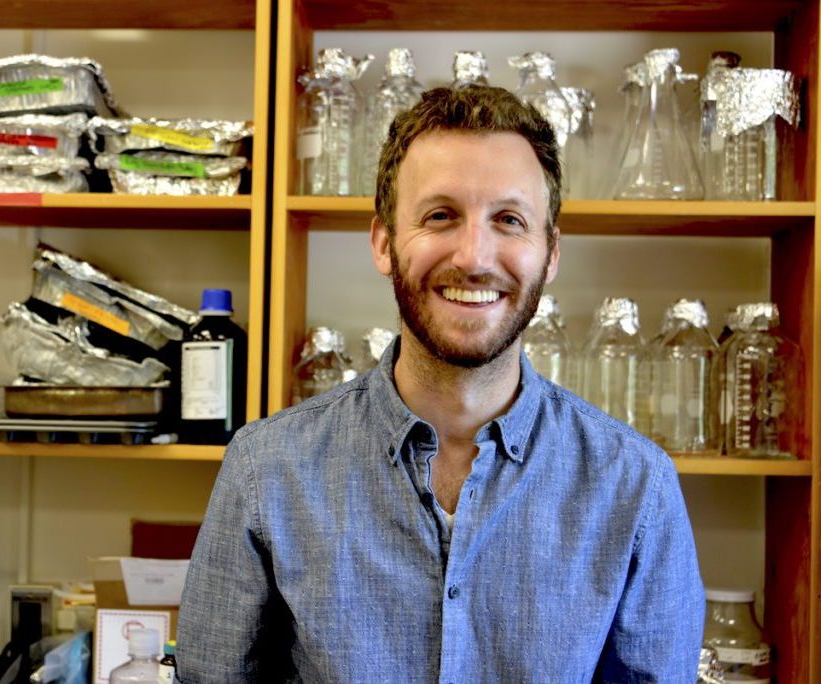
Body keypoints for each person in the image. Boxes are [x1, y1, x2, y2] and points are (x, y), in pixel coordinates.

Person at [176, 86, 705, 682]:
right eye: (439, 216)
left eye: (509, 220)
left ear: (550, 254)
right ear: (383, 242)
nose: (475, 256)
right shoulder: (265, 469)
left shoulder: (635, 486)